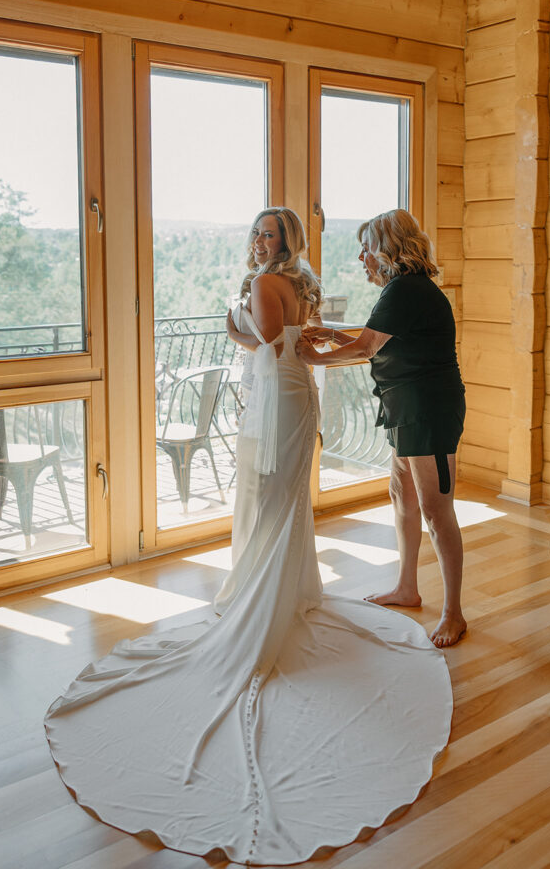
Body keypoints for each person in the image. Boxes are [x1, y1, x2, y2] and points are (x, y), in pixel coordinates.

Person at [44, 207, 452, 866]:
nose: (261, 242)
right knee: (277, 504)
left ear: (285, 242)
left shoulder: (268, 285)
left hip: (277, 396)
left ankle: (266, 607)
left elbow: (265, 339)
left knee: (269, 502)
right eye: (258, 233)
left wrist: (238, 315)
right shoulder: (293, 283)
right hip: (288, 392)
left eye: (271, 234)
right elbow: (290, 340)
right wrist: (273, 327)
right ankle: (282, 591)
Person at [296, 208, 467, 648]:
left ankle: (454, 613)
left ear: (389, 249)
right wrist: (330, 333)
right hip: (407, 407)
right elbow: (374, 336)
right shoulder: (403, 290)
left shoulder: (405, 289)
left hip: (428, 411)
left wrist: (314, 357)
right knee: (402, 497)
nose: (361, 258)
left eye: (367, 248)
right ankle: (407, 587)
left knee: (435, 509)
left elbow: (367, 346)